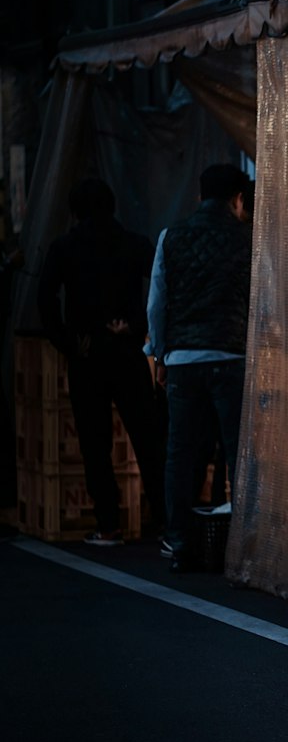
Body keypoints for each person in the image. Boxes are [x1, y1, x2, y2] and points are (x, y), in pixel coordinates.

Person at [38, 178, 164, 547]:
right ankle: (164, 521)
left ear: (75, 210)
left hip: (87, 353)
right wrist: (138, 326)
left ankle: (108, 524)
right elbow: (161, 285)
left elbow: (45, 298)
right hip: (127, 351)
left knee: (95, 443)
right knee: (147, 438)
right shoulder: (134, 243)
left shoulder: (64, 247)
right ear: (111, 205)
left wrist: (67, 341)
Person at [147, 162, 252, 572]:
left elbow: (157, 302)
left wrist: (159, 353)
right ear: (237, 200)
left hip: (184, 360)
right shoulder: (249, 239)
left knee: (180, 453)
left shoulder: (170, 237)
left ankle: (179, 542)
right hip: (231, 357)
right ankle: (243, 547)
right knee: (238, 453)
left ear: (199, 196)